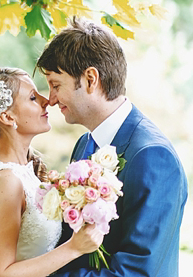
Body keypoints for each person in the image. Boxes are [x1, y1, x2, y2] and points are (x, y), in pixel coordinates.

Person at [36, 17, 188, 276]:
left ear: (90, 79)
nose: (50, 99)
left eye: (55, 85)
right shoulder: (84, 144)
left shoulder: (152, 156)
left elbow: (138, 272)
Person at [0, 67, 104, 277]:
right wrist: (73, 249)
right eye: (32, 97)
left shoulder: (27, 172)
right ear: (7, 117)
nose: (46, 100)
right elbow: (0, 274)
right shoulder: (6, 181)